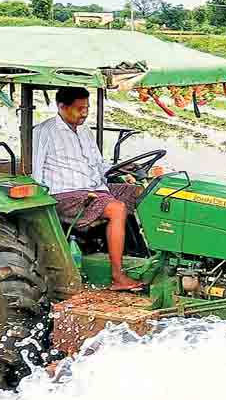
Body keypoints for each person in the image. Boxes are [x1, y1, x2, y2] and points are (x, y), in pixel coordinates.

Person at [31, 87, 160, 292]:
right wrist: (39, 203)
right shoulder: (44, 132)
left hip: (96, 188)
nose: (84, 113)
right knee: (116, 208)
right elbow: (34, 169)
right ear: (62, 107)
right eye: (79, 109)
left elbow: (98, 164)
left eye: (87, 108)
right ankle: (118, 276)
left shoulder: (85, 130)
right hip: (66, 195)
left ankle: (147, 255)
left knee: (141, 192)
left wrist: (122, 168)